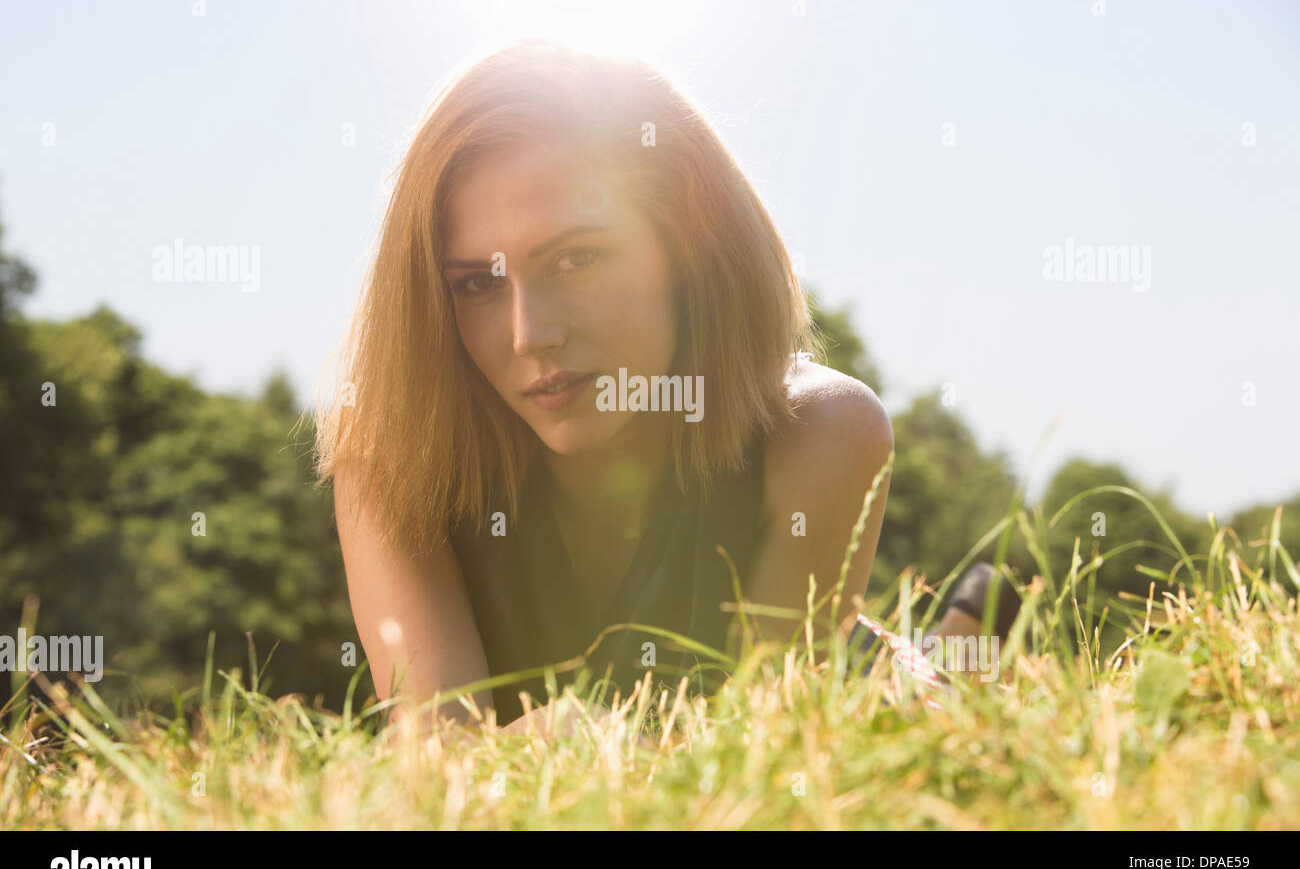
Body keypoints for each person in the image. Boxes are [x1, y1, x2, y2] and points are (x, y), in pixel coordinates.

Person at [315, 37, 1014, 737]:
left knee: (922, 706)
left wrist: (577, 736)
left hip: (842, 678)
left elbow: (750, 742)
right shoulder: (392, 459)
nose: (530, 335)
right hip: (621, 739)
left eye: (576, 259)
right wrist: (584, 735)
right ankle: (955, 634)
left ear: (689, 245)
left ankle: (951, 643)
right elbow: (436, 763)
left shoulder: (823, 429)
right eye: (477, 283)